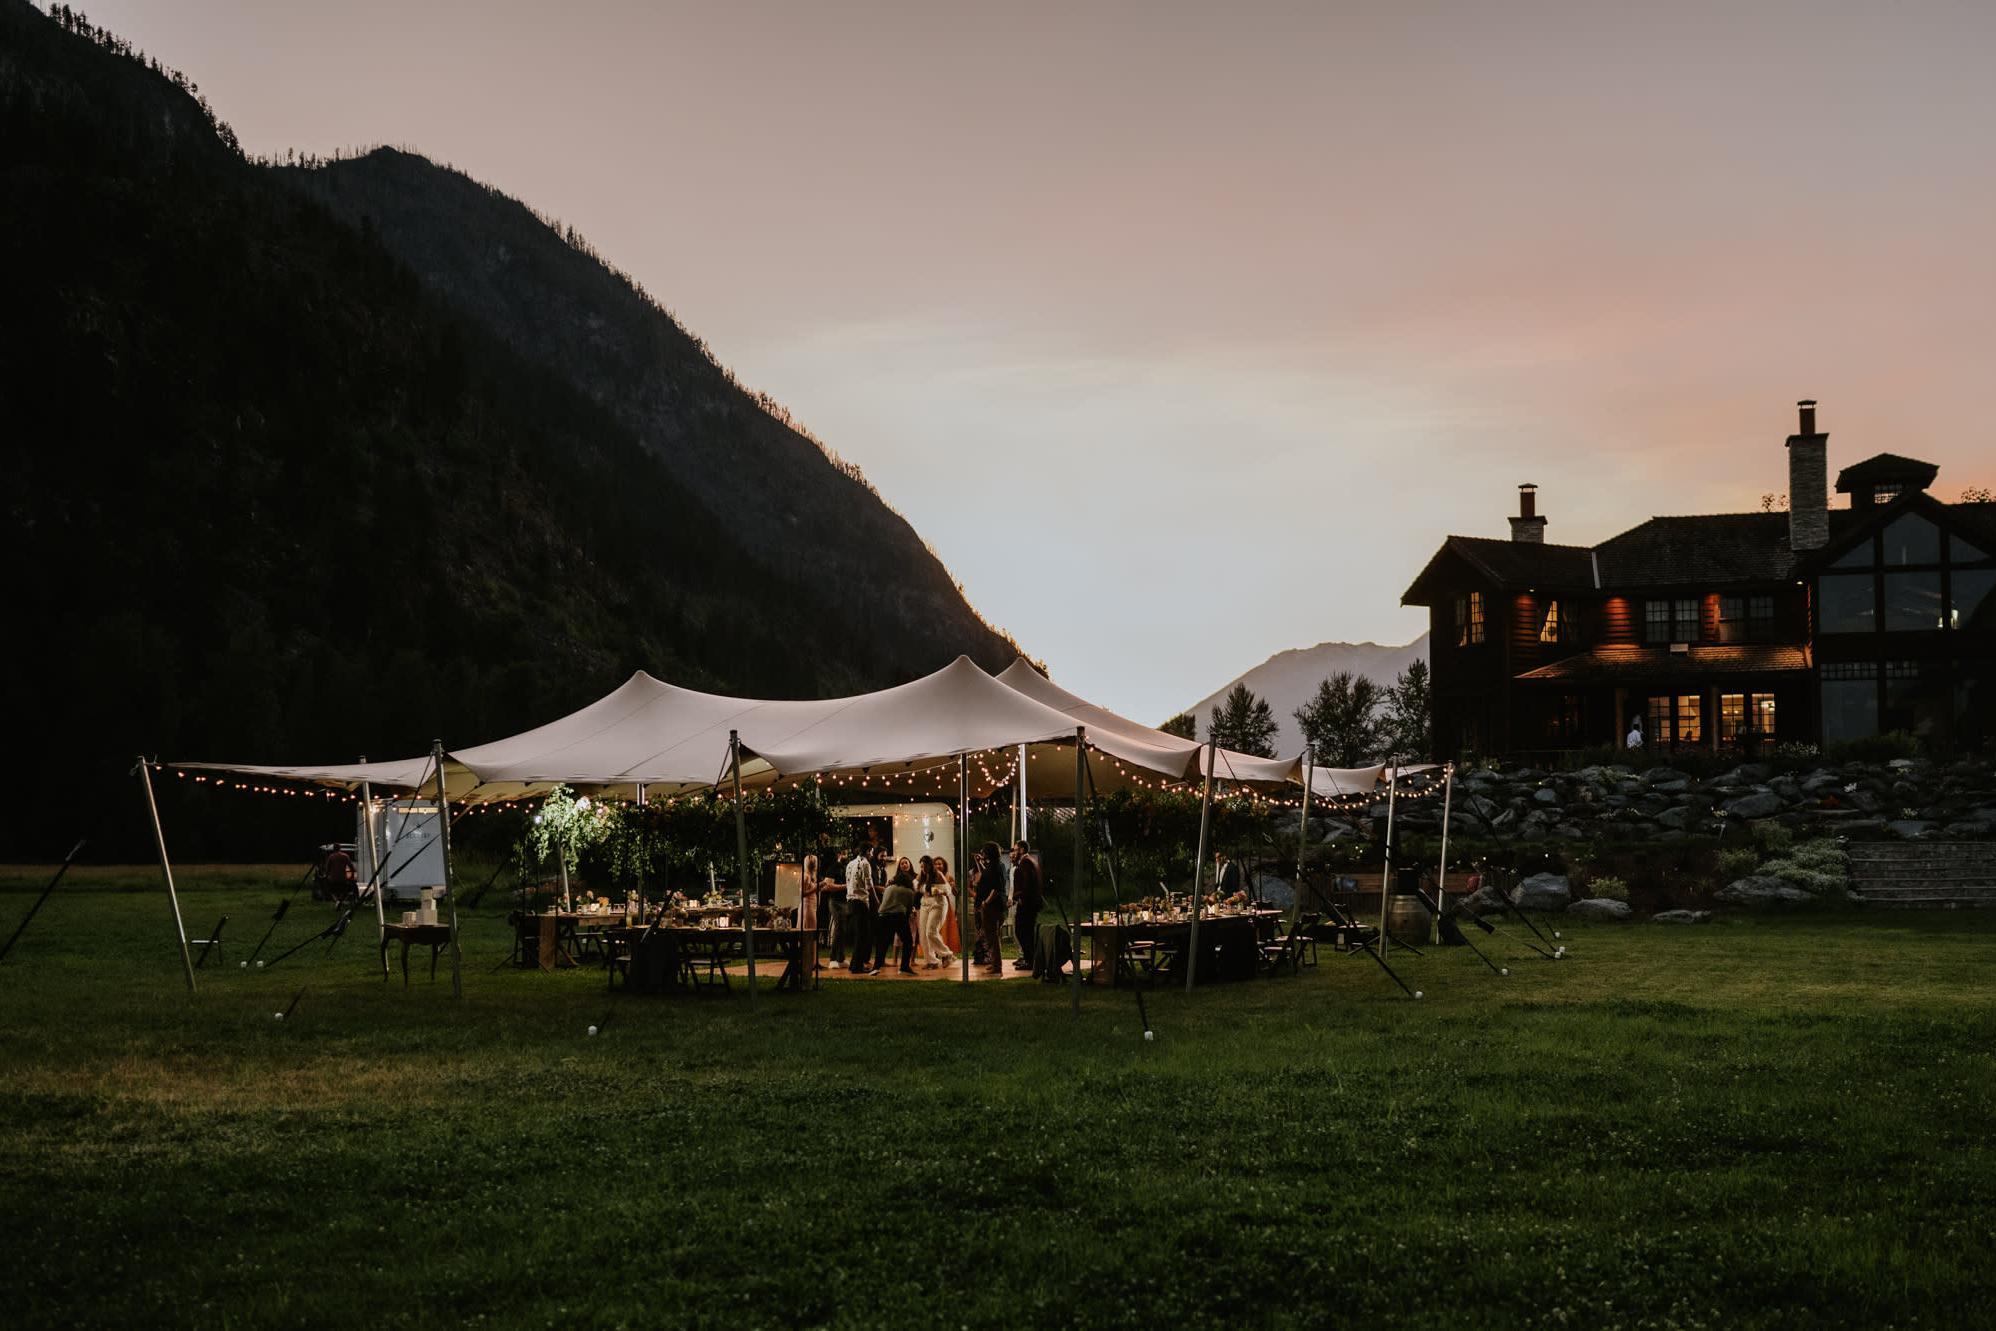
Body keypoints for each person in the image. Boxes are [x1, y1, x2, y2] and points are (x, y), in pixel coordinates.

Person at [878, 857, 921, 975]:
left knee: (884, 941)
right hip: (898, 915)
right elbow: (908, 908)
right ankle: (904, 967)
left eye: (906, 862)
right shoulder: (909, 892)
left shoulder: (889, 888)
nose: (904, 865)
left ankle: (877, 966)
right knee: (908, 941)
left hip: (882, 915)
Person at [1008, 842, 1044, 971]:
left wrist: (1021, 897)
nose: (1013, 852)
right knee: (1025, 931)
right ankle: (1030, 959)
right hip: (1030, 902)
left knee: (1023, 931)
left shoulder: (1026, 862)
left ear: (1022, 850)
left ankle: (1030, 960)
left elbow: (1027, 882)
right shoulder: (1031, 861)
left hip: (1027, 903)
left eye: (1016, 849)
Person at [974, 842, 1008, 973]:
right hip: (991, 906)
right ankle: (994, 962)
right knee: (990, 936)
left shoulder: (996, 867)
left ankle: (996, 966)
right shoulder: (994, 866)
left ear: (988, 853)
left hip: (992, 906)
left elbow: (996, 888)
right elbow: (985, 875)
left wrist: (986, 902)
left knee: (992, 936)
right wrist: (979, 862)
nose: (982, 854)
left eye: (983, 852)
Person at [843, 846, 877, 974]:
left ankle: (854, 964)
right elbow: (869, 885)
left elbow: (848, 883)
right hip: (861, 901)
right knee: (862, 935)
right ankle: (857, 966)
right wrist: (876, 901)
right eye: (871, 852)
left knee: (859, 934)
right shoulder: (865, 863)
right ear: (867, 851)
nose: (872, 855)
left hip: (851, 901)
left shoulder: (850, 863)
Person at [917, 856, 955, 968]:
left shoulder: (938, 874)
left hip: (938, 904)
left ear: (930, 865)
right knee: (923, 935)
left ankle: (947, 955)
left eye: (925, 866)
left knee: (930, 932)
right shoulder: (922, 875)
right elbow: (915, 885)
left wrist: (936, 890)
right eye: (921, 867)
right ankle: (931, 961)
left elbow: (948, 890)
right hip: (925, 904)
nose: (923, 869)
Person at [798, 853, 821, 973]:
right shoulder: (805, 876)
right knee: (808, 934)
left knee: (813, 935)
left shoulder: (812, 876)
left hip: (812, 906)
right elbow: (803, 894)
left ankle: (814, 961)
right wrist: (818, 887)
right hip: (807, 908)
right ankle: (808, 962)